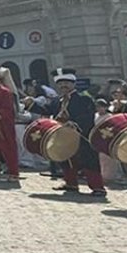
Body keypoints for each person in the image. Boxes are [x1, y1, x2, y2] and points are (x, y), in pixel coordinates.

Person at [29, 68, 105, 197]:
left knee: (88, 160)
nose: (63, 86)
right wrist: (31, 104)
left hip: (81, 135)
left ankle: (98, 187)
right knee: (65, 159)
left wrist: (74, 124)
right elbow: (47, 110)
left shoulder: (83, 99)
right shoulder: (57, 100)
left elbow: (88, 116)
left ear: (73, 83)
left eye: (66, 83)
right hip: (62, 135)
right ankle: (71, 183)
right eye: (60, 84)